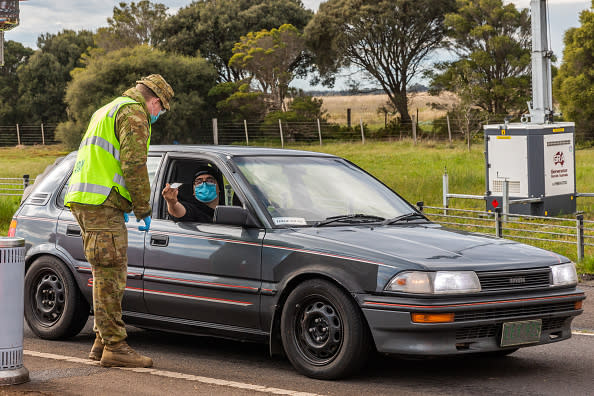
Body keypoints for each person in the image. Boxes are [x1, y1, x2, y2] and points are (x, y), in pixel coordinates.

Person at [64, 74, 174, 368]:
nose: (158, 114)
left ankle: (101, 341)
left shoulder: (108, 108)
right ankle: (115, 346)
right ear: (154, 101)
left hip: (89, 198)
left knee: (106, 271)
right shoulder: (134, 113)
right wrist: (142, 208)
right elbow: (133, 163)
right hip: (101, 201)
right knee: (111, 274)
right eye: (160, 108)